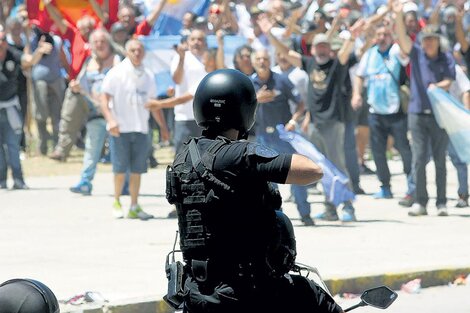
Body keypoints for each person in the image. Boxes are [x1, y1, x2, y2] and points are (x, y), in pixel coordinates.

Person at [165, 68, 343, 313]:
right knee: (312, 296)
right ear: (245, 109)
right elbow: (313, 171)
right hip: (246, 290)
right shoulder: (238, 155)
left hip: (197, 290)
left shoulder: (184, 156)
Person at [393, 0, 455, 217]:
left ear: (438, 41)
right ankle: (420, 201)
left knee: (440, 159)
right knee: (419, 159)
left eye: (432, 39)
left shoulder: (445, 57)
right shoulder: (416, 53)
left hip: (440, 116)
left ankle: (441, 202)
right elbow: (401, 38)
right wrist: (399, 15)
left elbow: (449, 80)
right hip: (417, 113)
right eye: (425, 39)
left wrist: (438, 86)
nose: (428, 43)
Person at [250, 49, 314, 226]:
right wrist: (256, 99)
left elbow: (301, 103)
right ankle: (276, 216)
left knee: (295, 174)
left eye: (265, 58)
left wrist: (294, 120)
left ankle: (305, 213)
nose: (262, 61)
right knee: (268, 180)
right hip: (263, 138)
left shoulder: (281, 80)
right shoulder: (249, 83)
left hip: (284, 136)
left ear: (270, 61)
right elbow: (242, 106)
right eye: (258, 59)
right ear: (253, 62)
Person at [352, 23, 413, 200]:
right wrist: (356, 94)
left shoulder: (396, 51)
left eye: (385, 34)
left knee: (403, 148)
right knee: (378, 152)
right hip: (375, 111)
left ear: (391, 37)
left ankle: (412, 185)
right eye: (379, 34)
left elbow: (406, 56)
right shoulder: (370, 54)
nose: (382, 38)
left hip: (396, 111)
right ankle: (385, 187)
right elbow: (359, 74)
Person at [100, 38, 154, 220]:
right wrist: (111, 120)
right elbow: (104, 98)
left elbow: (152, 103)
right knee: (120, 169)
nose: (137, 53)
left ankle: (134, 204)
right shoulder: (117, 73)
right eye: (133, 50)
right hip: (120, 129)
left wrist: (162, 127)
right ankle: (116, 201)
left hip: (141, 128)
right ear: (127, 52)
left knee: (138, 169)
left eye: (139, 50)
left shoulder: (148, 74)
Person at [68, 29, 121, 196]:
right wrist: (76, 87)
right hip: (95, 113)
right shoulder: (89, 62)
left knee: (118, 150)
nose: (99, 45)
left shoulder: (117, 60)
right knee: (91, 149)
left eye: (102, 41)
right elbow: (82, 85)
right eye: (96, 42)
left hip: (115, 113)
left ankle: (124, 183)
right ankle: (85, 181)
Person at [0, 30, 52, 189]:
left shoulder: (12, 54)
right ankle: (1, 180)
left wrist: (39, 51)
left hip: (10, 107)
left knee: (13, 144)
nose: (1, 43)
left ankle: (18, 179)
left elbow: (29, 61)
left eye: (2, 39)